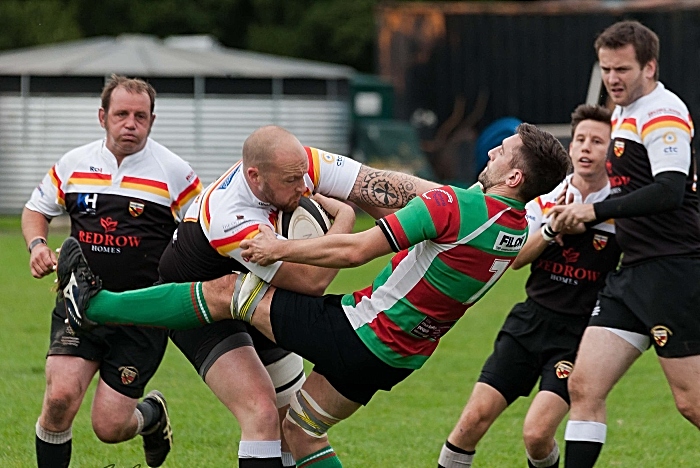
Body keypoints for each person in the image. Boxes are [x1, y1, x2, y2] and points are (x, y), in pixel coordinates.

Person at [56, 122, 571, 467]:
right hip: (400, 357)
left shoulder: (452, 207)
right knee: (301, 433)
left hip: (360, 331)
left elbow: (355, 252)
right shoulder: (517, 227)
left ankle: (97, 305)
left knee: (232, 292)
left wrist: (284, 245)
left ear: (514, 175)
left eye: (501, 151)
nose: (490, 150)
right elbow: (412, 198)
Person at [136, 124, 441, 466]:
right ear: (255, 176)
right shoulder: (232, 219)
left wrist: (460, 204)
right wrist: (345, 215)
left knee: (294, 425)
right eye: (291, 181)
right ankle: (93, 303)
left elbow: (371, 183)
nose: (305, 186)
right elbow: (311, 282)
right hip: (200, 302)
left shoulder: (295, 165)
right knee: (261, 413)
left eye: (304, 175)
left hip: (253, 293)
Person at [22, 75, 202, 468]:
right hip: (79, 304)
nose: (131, 123)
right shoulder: (73, 163)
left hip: (144, 314)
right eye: (121, 114)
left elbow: (202, 234)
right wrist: (37, 245)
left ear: (152, 120)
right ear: (103, 116)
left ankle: (151, 416)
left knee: (110, 426)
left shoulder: (176, 173)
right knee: (58, 400)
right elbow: (36, 210)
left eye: (141, 116)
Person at [546, 21, 700, 468]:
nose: (612, 79)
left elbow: (670, 190)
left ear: (649, 67)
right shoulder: (622, 111)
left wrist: (596, 212)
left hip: (672, 271)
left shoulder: (663, 111)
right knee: (584, 386)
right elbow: (635, 188)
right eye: (607, 68)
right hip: (633, 273)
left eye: (623, 70)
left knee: (691, 403)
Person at [437, 105, 620, 468]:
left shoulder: (620, 206)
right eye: (580, 139)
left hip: (578, 336)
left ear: (613, 151)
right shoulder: (548, 197)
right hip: (529, 322)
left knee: (537, 436)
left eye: (597, 141)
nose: (585, 147)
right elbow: (517, 257)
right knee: (471, 422)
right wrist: (553, 228)